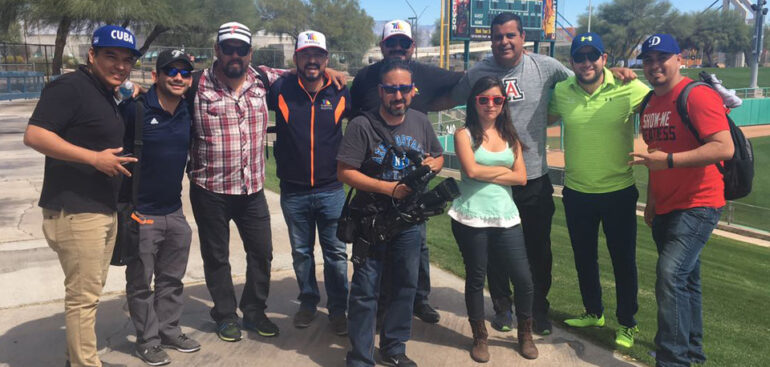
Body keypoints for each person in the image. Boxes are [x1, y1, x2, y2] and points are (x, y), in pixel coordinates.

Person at [23, 25, 140, 367]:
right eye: (110, 56)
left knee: (89, 294)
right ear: (92, 55)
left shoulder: (104, 92)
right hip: (75, 211)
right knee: (83, 299)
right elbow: (34, 135)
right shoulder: (70, 87)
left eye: (126, 60)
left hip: (100, 208)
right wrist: (94, 159)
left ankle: (76, 359)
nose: (119, 65)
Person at [449, 12, 571, 335]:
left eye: (510, 35)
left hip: (532, 180)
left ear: (522, 38)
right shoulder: (479, 71)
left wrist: (614, 74)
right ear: (490, 40)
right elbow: (448, 92)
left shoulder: (545, 66)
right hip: (490, 187)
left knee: (537, 251)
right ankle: (502, 306)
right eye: (498, 36)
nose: (504, 41)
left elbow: (583, 81)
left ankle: (536, 310)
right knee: (494, 256)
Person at [630, 34, 734, 367]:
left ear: (679, 60)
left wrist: (671, 161)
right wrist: (651, 201)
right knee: (687, 280)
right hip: (666, 205)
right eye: (648, 59)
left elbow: (723, 147)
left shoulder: (696, 95)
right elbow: (654, 159)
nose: (654, 65)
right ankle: (691, 349)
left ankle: (672, 359)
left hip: (700, 203)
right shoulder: (648, 104)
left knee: (670, 275)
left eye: (662, 57)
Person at [350, 19, 463, 325]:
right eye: (391, 43)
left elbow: (461, 80)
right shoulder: (364, 78)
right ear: (382, 46)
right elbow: (349, 114)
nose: (398, 49)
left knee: (417, 245)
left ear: (412, 47)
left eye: (404, 43)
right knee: (376, 244)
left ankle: (418, 299)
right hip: (375, 179)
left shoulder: (425, 73)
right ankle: (379, 302)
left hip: (412, 180)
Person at [338, 60, 444, 367]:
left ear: (412, 91)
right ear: (381, 91)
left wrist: (429, 167)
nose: (398, 96)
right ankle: (360, 357)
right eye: (391, 89)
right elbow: (344, 171)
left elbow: (436, 157)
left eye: (404, 89)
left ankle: (394, 348)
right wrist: (390, 189)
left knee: (404, 287)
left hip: (409, 222)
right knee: (365, 292)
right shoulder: (361, 125)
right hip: (371, 220)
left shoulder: (421, 121)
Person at [547, 32, 650, 348]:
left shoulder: (628, 86)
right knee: (584, 257)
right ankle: (594, 311)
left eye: (594, 56)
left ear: (605, 59)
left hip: (618, 191)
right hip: (577, 191)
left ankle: (628, 323)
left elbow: (663, 100)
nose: (587, 62)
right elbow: (538, 116)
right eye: (580, 57)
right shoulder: (562, 91)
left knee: (622, 260)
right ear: (572, 62)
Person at [187, 21, 288, 342]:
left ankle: (255, 311)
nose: (235, 55)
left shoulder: (263, 79)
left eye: (241, 50)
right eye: (228, 49)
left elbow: (303, 76)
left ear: (250, 53)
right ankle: (225, 314)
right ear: (217, 50)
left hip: (252, 189)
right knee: (217, 256)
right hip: (209, 190)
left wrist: (333, 75)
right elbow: (158, 99)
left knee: (262, 253)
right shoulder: (196, 85)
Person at [267, 30, 350, 335]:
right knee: (302, 252)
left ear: (326, 59)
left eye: (318, 55)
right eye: (306, 55)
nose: (312, 60)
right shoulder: (280, 89)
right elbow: (249, 74)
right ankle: (308, 302)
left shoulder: (341, 91)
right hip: (294, 190)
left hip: (331, 189)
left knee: (337, 254)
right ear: (296, 58)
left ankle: (339, 309)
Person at [120, 50, 200, 366]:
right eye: (171, 71)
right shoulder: (135, 110)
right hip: (142, 211)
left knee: (172, 280)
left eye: (184, 72)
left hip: (175, 211)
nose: (178, 77)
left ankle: (169, 331)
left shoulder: (187, 111)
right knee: (141, 283)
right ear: (156, 76)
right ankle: (148, 340)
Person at [449, 76, 537, 362]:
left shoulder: (511, 136)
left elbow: (522, 177)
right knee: (476, 279)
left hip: (506, 217)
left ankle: (525, 333)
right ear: (474, 101)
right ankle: (480, 337)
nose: (490, 105)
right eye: (483, 99)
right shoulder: (464, 134)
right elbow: (471, 172)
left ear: (504, 103)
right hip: (471, 216)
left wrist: (490, 171)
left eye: (497, 99)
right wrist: (504, 173)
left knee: (523, 279)